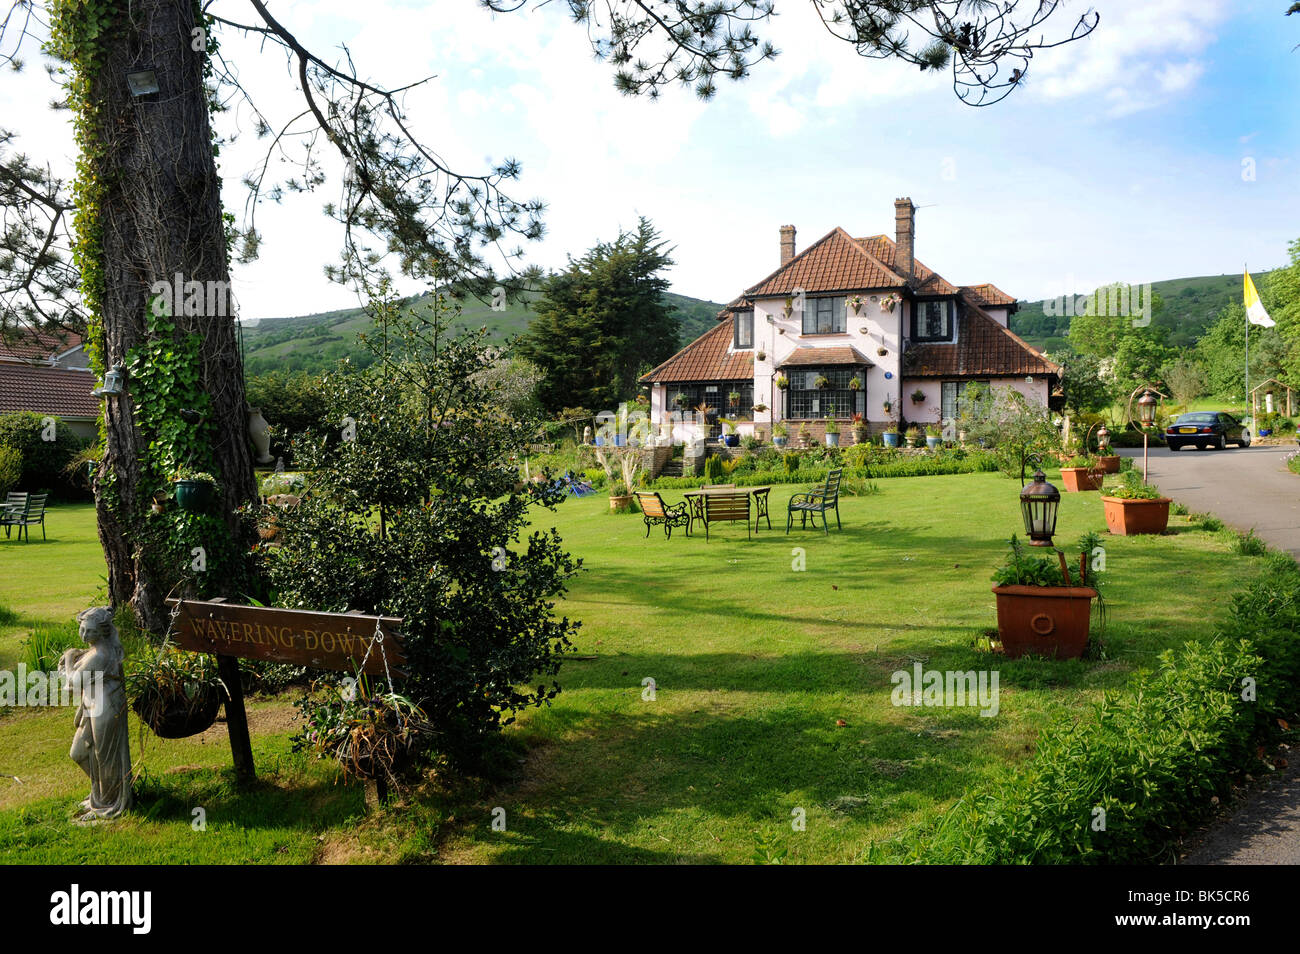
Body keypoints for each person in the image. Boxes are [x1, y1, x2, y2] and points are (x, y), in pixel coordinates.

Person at [57, 607, 133, 820]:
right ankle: (102, 793)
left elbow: (74, 682)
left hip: (105, 709)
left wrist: (70, 659)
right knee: (80, 753)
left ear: (102, 632)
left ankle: (107, 804)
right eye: (82, 629)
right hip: (93, 707)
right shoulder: (94, 650)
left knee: (104, 758)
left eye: (89, 632)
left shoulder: (100, 654)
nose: (84, 635)